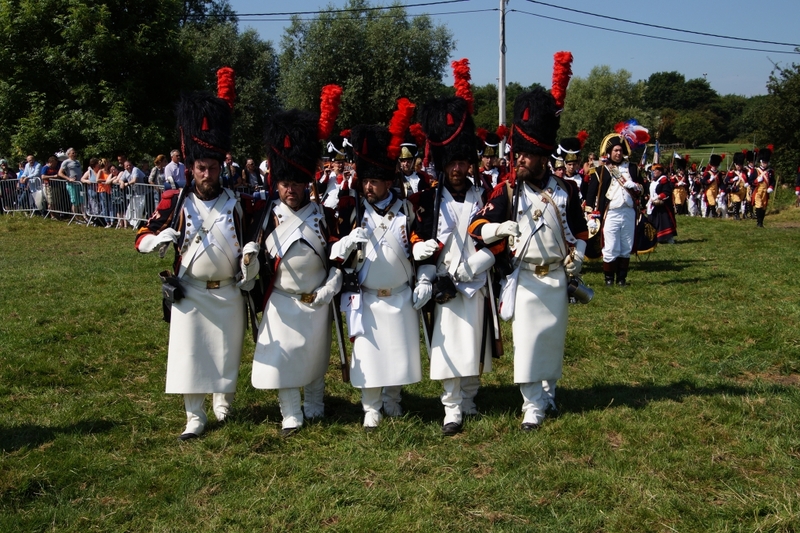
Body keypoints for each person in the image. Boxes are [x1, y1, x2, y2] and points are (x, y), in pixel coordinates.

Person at [470, 52, 588, 431]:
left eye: (527, 155)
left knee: (552, 341)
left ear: (543, 157)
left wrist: (579, 259)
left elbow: (580, 231)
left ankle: (549, 391)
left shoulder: (566, 189)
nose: (519, 160)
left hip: (555, 277)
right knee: (527, 345)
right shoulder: (507, 190)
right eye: (517, 153)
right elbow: (477, 226)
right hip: (523, 280)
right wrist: (498, 230)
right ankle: (531, 404)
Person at [134, 67, 247, 441]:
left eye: (213, 167)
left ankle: (223, 402)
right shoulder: (175, 199)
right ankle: (194, 416)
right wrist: (156, 239)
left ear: (221, 167)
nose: (207, 173)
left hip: (229, 290)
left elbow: (256, 237)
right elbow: (143, 234)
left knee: (227, 351)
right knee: (190, 355)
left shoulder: (238, 203)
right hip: (191, 291)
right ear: (191, 167)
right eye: (201, 167)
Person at [247, 105, 342, 436]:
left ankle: (316, 405)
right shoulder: (265, 214)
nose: (291, 190)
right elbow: (252, 254)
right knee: (284, 358)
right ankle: (291, 413)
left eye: (297, 183)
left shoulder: (324, 215)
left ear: (306, 182)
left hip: (317, 297)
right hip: (282, 299)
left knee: (317, 356)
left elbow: (338, 256)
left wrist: (333, 282)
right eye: (286, 183)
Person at [330, 108, 422, 430]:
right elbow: (335, 254)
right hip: (366, 297)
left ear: (388, 182)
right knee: (369, 356)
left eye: (375, 181)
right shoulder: (351, 210)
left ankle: (393, 400)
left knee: (397, 354)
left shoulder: (405, 210)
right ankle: (371, 406)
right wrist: (345, 243)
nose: (369, 187)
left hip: (398, 295)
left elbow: (416, 247)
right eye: (365, 181)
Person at [413, 81, 495, 436]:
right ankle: (451, 407)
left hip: (477, 282)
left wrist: (479, 265)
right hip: (445, 285)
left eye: (463, 162)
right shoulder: (429, 200)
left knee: (476, 345)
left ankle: (471, 399)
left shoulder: (484, 197)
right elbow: (422, 239)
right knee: (448, 348)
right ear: (443, 165)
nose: (458, 169)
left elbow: (497, 242)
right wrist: (425, 273)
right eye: (452, 163)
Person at [584, 122, 648, 286]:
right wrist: (590, 214)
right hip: (610, 213)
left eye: (620, 150)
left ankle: (621, 279)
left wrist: (636, 186)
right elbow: (591, 195)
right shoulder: (601, 170)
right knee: (610, 247)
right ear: (609, 152)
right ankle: (608, 280)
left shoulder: (632, 169)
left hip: (629, 212)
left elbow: (642, 189)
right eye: (615, 150)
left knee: (626, 246)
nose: (618, 153)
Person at [394, 132, 433, 199]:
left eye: (408, 161)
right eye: (403, 161)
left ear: (413, 161)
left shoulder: (422, 177)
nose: (406, 164)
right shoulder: (395, 179)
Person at [646, 164, 677, 244]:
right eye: (653, 170)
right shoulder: (654, 181)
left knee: (665, 222)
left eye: (655, 170)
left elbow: (666, 192)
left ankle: (669, 238)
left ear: (660, 171)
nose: (654, 172)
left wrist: (658, 197)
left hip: (663, 205)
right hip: (653, 204)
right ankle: (656, 238)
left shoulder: (663, 180)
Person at [476, 127, 510, 193]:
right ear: (482, 158)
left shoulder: (501, 171)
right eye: (486, 157)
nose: (489, 160)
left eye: (491, 157)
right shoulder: (478, 173)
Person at [57, 148, 86, 223]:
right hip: (72, 185)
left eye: (75, 152)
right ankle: (76, 218)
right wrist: (68, 178)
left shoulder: (77, 162)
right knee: (75, 202)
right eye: (73, 153)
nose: (74, 154)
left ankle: (85, 217)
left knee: (82, 201)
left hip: (79, 184)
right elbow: (60, 173)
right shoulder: (66, 162)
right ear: (68, 154)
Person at [725, 151, 748, 220]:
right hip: (734, 190)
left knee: (740, 202)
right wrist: (733, 180)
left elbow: (747, 179)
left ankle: (739, 214)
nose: (739, 166)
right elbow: (726, 181)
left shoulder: (745, 172)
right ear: (735, 164)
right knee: (737, 201)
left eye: (740, 165)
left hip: (743, 190)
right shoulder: (732, 172)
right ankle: (736, 215)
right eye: (738, 165)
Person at [701, 154, 723, 218]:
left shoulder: (719, 173)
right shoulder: (707, 173)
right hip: (709, 190)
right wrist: (710, 180)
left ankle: (707, 215)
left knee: (709, 203)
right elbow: (703, 181)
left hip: (715, 190)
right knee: (712, 201)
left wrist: (721, 190)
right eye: (713, 166)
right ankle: (714, 213)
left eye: (716, 166)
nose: (715, 167)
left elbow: (721, 183)